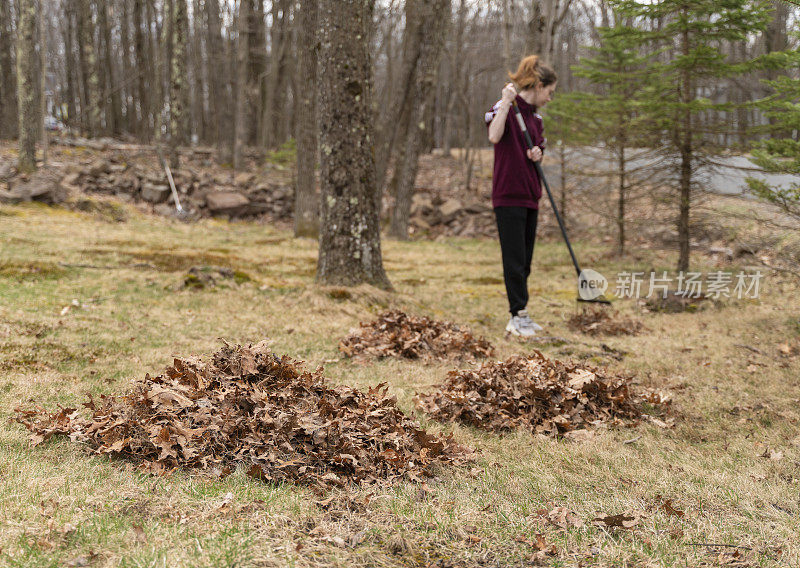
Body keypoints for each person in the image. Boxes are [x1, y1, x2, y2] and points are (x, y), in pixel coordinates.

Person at [485, 55, 557, 337]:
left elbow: (538, 148)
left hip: (530, 194)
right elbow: (494, 135)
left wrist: (538, 152)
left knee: (525, 260)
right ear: (539, 85)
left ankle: (522, 312)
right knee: (513, 258)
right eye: (549, 92)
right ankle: (517, 315)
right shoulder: (506, 108)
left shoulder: (536, 119)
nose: (550, 98)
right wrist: (504, 101)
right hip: (508, 194)